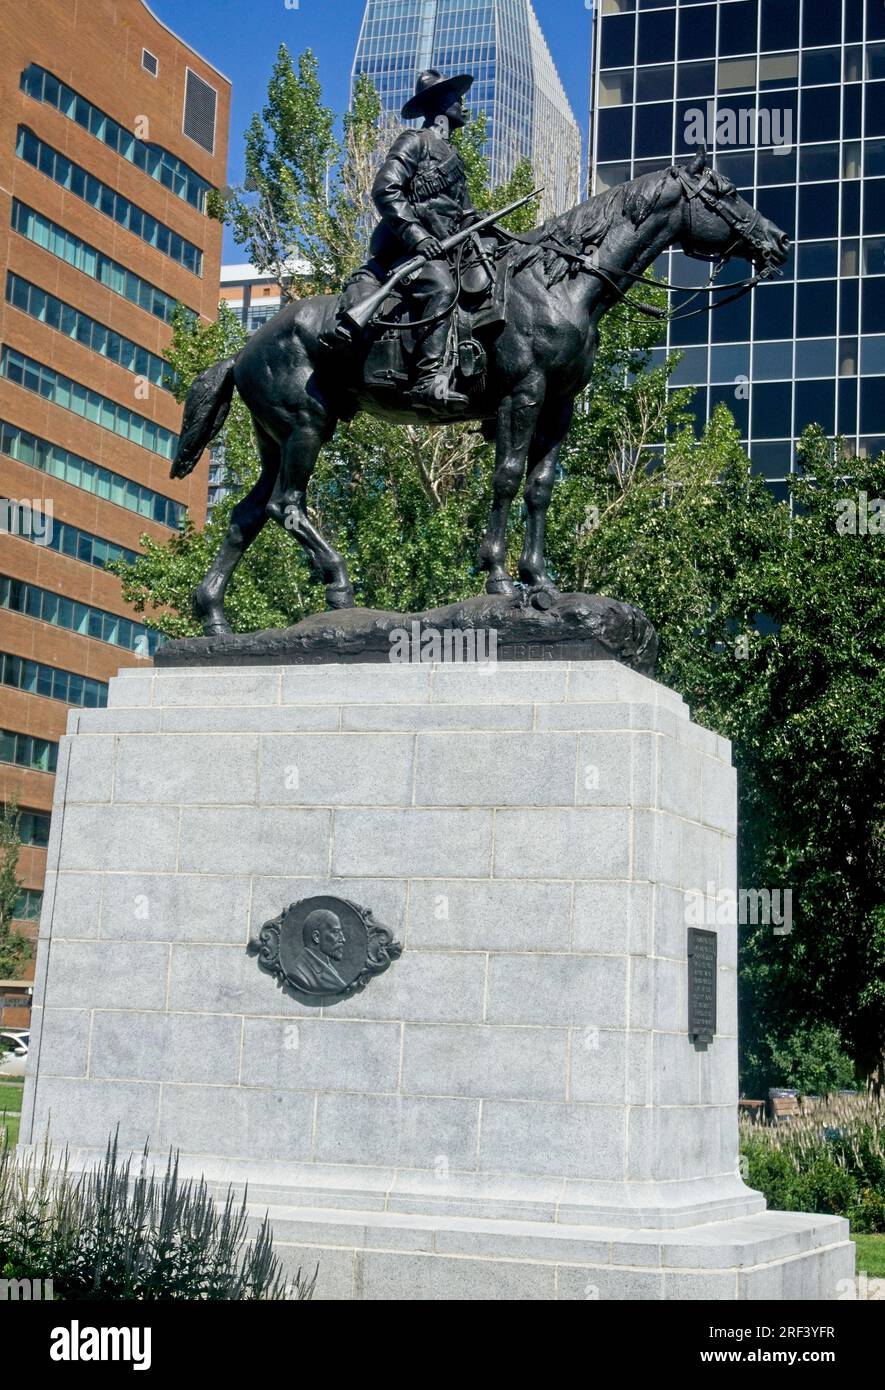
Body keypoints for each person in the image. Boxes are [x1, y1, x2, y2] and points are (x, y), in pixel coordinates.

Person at [324, 68, 479, 412]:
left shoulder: (454, 157)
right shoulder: (415, 141)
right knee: (441, 288)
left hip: (448, 249)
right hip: (406, 252)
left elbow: (465, 213)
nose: (464, 105)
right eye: (457, 98)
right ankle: (426, 381)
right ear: (440, 105)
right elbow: (385, 189)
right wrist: (416, 235)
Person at [289, 908, 350, 993]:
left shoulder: (326, 966)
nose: (343, 939)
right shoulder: (298, 974)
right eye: (336, 932)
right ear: (316, 937)